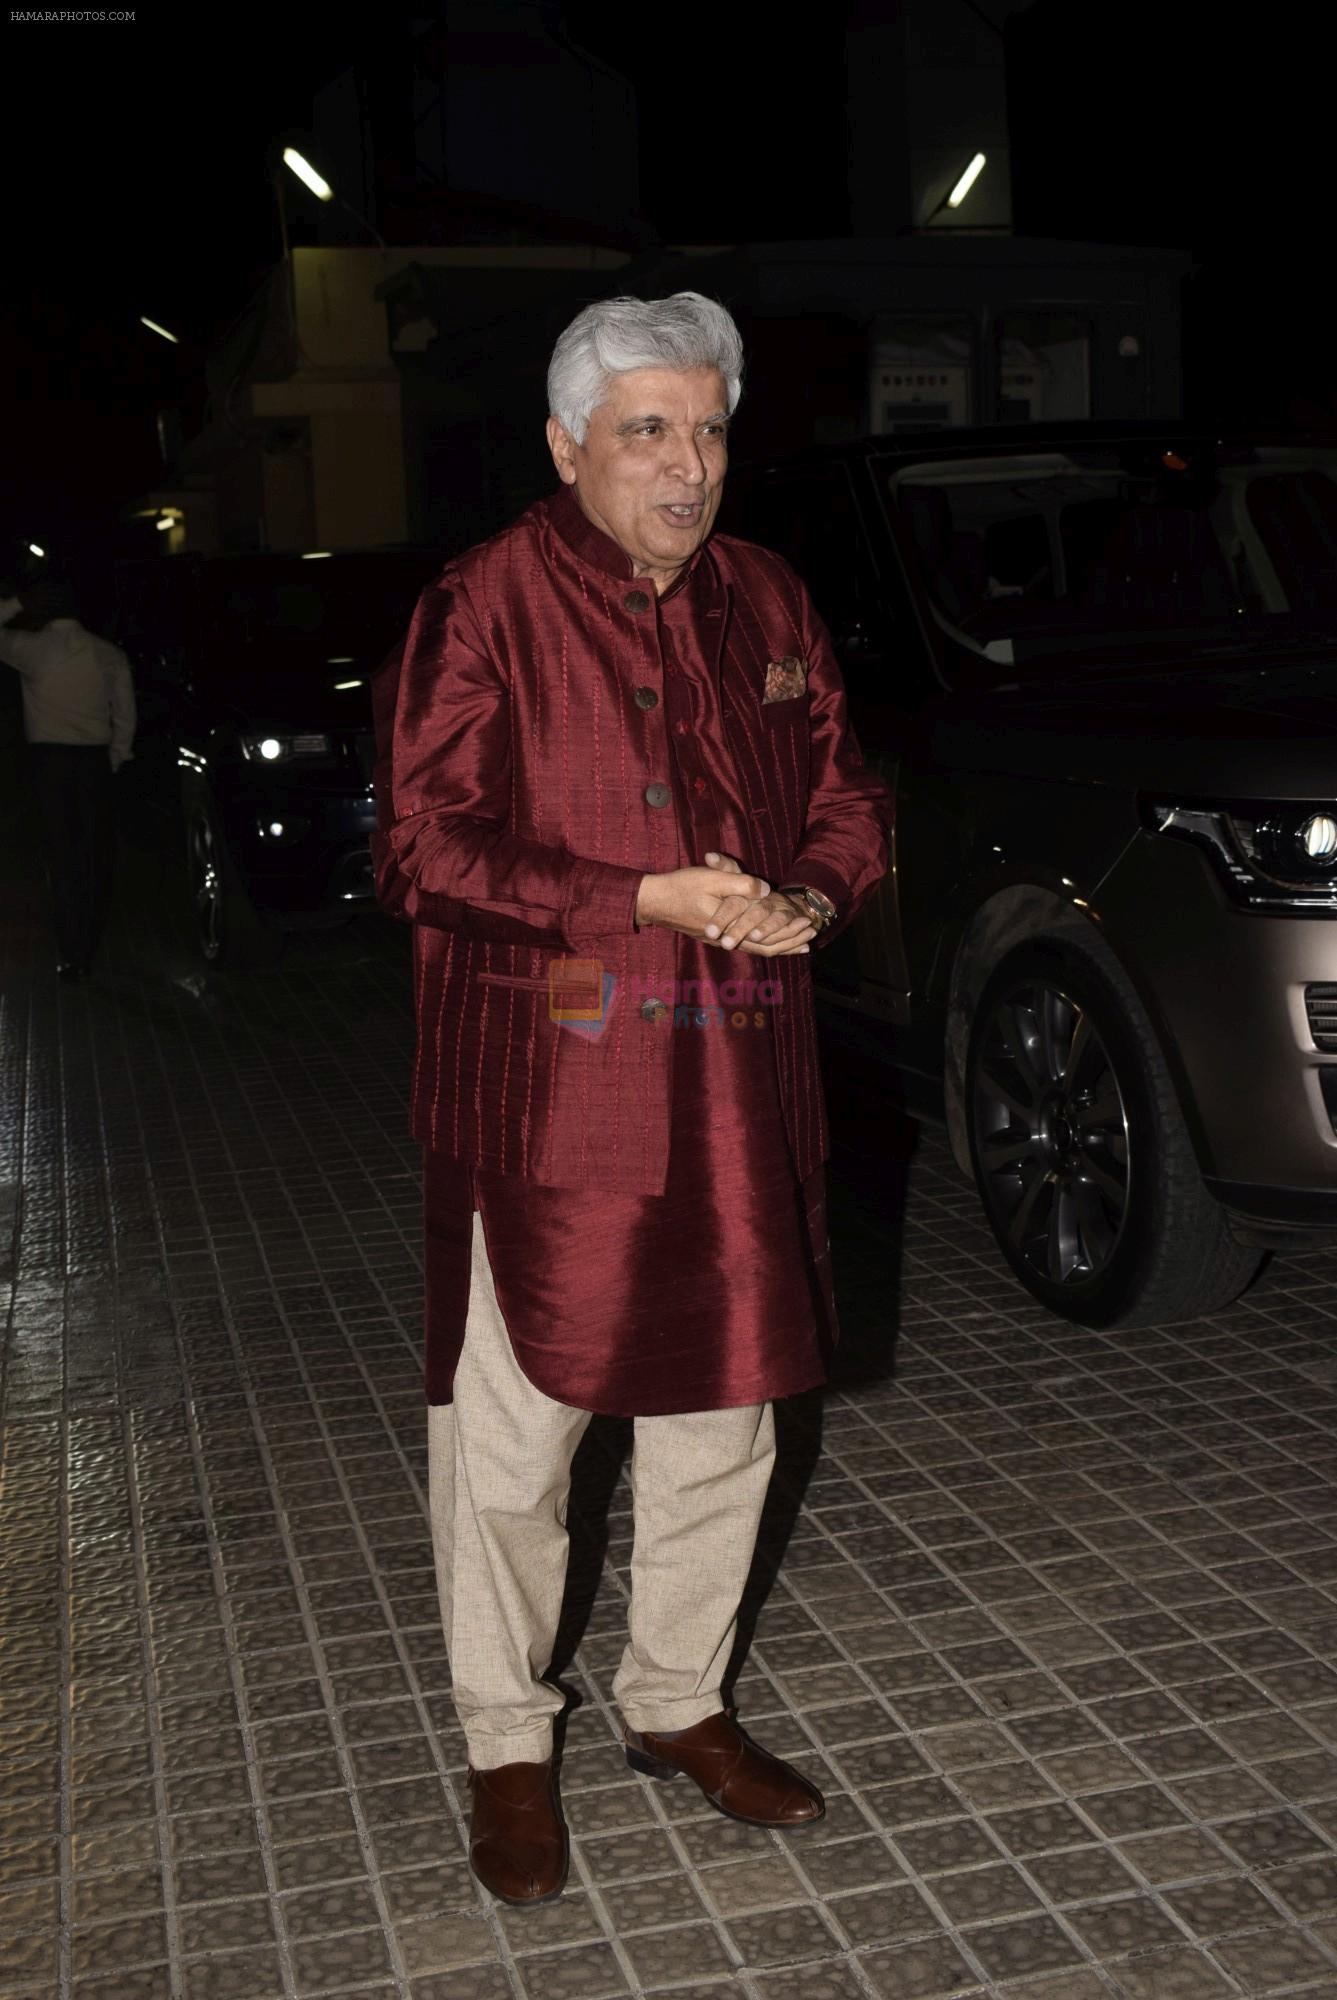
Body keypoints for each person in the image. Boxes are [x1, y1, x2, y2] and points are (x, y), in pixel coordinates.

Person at [373, 292, 892, 1908]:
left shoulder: (763, 595)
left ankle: (676, 1704)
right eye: (645, 433)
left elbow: (845, 796)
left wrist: (806, 892)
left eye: (707, 430)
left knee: (721, 1419)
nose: (685, 467)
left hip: (735, 1067)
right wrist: (639, 900)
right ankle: (506, 1740)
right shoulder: (485, 603)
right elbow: (423, 847)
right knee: (517, 1441)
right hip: (550, 1083)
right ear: (566, 447)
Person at [0, 576, 136, 980]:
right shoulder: (106, 652)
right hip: (93, 761)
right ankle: (88, 940)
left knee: (61, 856)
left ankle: (73, 951)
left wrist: (13, 604)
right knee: (93, 852)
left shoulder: (31, 649)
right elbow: (124, 712)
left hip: (50, 763)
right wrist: (115, 755)